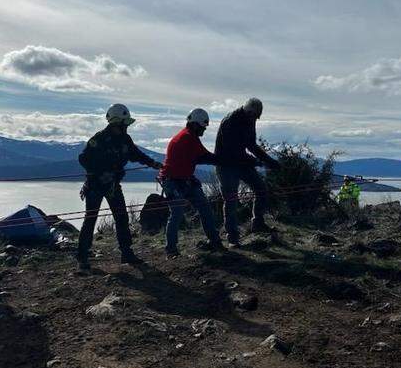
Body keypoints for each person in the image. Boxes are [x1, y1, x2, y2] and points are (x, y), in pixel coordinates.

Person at [76, 103, 163, 271]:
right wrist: (100, 172)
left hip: (113, 184)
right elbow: (83, 159)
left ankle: (126, 253)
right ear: (116, 122)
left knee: (122, 217)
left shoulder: (125, 139)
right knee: (90, 219)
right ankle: (82, 257)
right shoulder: (99, 138)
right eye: (124, 123)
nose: (126, 127)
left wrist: (152, 163)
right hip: (95, 185)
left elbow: (136, 154)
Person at [213, 97, 281, 245]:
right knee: (231, 200)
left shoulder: (250, 119)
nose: (255, 119)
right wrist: (256, 162)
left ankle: (258, 223)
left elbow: (251, 145)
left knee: (261, 189)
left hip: (241, 163)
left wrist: (269, 161)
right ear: (248, 111)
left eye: (257, 117)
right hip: (226, 165)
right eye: (255, 116)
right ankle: (233, 237)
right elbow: (233, 151)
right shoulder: (230, 121)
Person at [159, 108, 224, 257]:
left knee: (202, 207)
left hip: (183, 179)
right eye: (203, 127)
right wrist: (225, 160)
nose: (204, 130)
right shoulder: (188, 138)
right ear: (195, 125)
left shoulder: (189, 137)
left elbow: (200, 157)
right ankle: (171, 249)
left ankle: (214, 241)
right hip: (173, 181)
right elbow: (206, 157)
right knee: (177, 213)